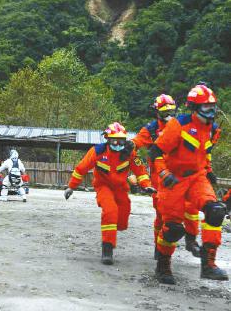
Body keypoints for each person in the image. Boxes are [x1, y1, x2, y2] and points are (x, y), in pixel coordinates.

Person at [149, 84, 228, 284]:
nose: (211, 111)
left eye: (213, 107)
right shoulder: (178, 125)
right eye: (207, 107)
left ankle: (208, 264)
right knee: (173, 228)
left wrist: (209, 170)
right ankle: (163, 266)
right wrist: (163, 172)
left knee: (216, 211)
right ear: (195, 108)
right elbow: (156, 151)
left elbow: (204, 152)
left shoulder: (213, 129)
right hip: (173, 180)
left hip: (197, 178)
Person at [65, 122, 153, 265]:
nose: (118, 144)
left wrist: (146, 186)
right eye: (114, 141)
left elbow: (141, 172)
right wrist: (71, 187)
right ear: (107, 139)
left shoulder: (129, 153)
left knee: (122, 219)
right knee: (110, 211)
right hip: (103, 186)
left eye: (121, 141)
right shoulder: (97, 152)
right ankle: (107, 249)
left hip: (121, 188)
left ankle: (113, 228)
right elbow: (81, 169)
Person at [133, 93, 202, 258]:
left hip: (181, 176)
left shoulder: (182, 125)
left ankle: (191, 240)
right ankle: (159, 246)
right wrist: (130, 150)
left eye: (172, 112)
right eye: (165, 113)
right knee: (162, 215)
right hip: (160, 179)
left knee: (191, 208)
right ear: (157, 113)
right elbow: (135, 143)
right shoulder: (150, 129)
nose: (169, 116)